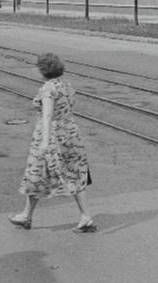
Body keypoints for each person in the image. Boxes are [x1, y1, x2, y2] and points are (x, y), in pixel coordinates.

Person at [9, 52, 95, 233]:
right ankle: (85, 216)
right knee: (75, 173)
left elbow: (47, 115)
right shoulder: (67, 85)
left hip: (52, 136)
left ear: (42, 70)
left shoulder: (48, 88)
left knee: (36, 173)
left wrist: (45, 142)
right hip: (71, 133)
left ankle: (26, 215)